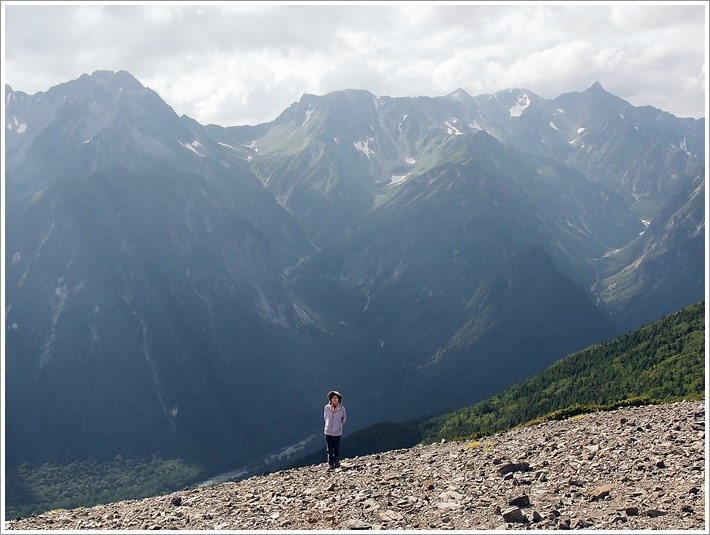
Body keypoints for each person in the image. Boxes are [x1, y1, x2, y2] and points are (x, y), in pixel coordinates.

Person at [324, 390, 347, 469]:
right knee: (329, 448)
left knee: (336, 447)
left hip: (337, 432)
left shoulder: (342, 409)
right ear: (330, 399)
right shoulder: (326, 408)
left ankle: (337, 461)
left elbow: (344, 419)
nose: (334, 399)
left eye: (336, 398)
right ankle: (331, 463)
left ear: (339, 399)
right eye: (333, 398)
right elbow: (325, 417)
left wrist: (338, 425)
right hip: (328, 431)